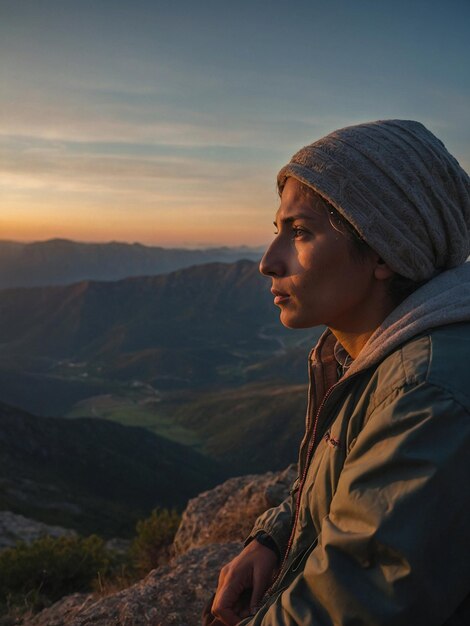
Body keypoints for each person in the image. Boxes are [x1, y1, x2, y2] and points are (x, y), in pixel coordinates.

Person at [204, 119, 470, 625]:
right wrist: (274, 537)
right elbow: (349, 487)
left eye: (299, 232)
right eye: (276, 230)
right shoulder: (376, 357)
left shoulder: (426, 395)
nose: (267, 261)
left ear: (382, 251)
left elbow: (347, 609)